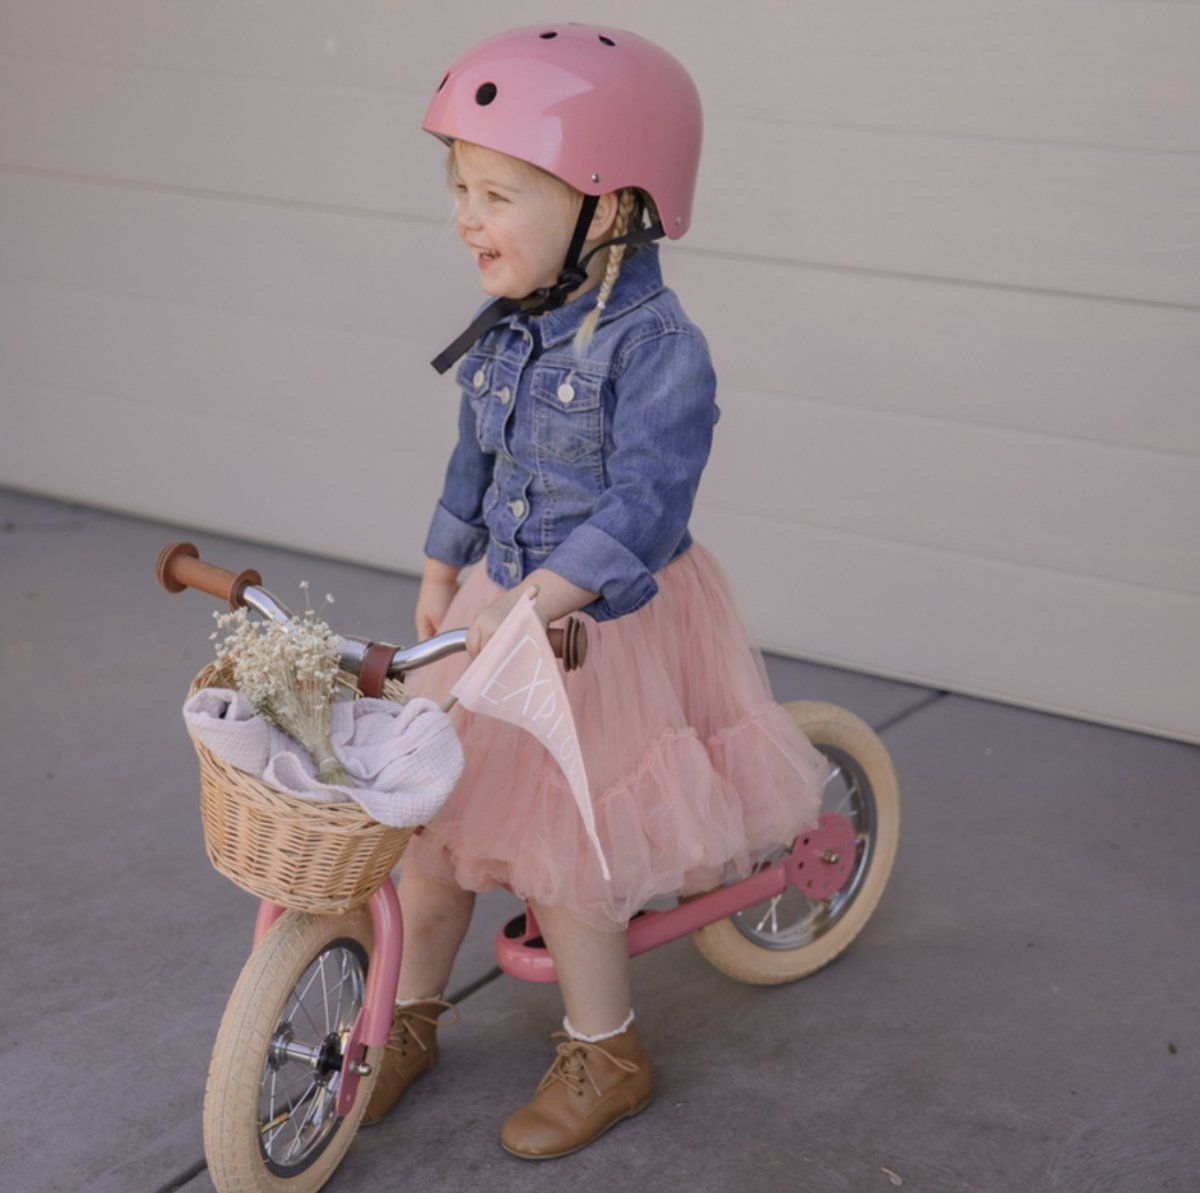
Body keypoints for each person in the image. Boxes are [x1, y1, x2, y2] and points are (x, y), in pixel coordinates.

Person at [364, 23, 830, 1158]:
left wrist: (550, 598)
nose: (469, 217)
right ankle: (410, 1012)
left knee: (571, 852)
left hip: (601, 626)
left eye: (500, 193)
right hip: (501, 602)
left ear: (611, 206)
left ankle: (606, 1044)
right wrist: (443, 561)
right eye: (461, 189)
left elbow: (648, 501)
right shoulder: (511, 330)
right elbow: (476, 454)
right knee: (432, 826)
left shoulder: (660, 346)